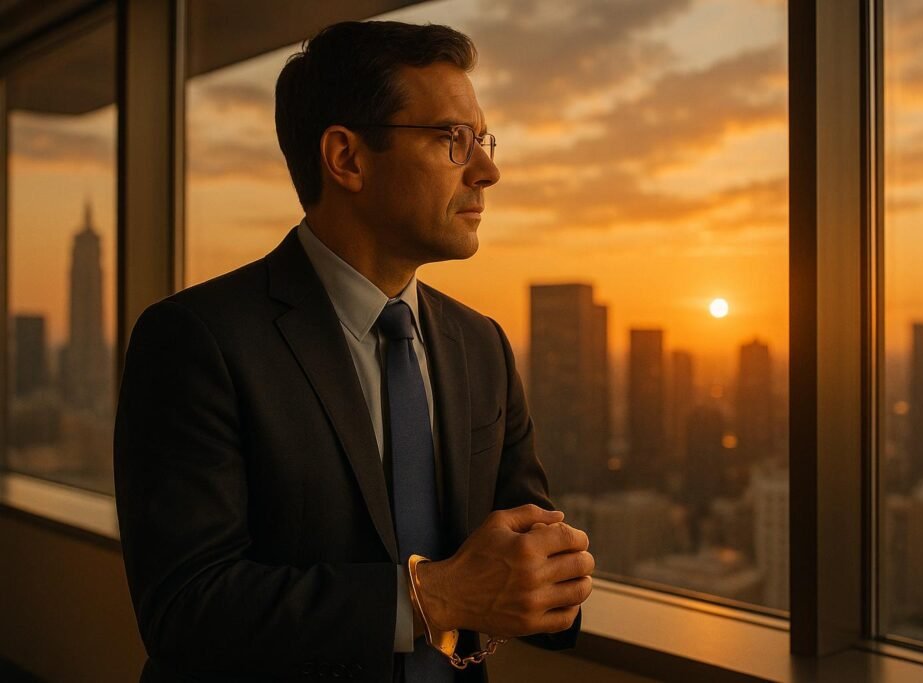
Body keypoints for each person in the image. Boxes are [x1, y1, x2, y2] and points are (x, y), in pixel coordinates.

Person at [113, 19, 594, 683]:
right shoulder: (197, 340)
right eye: (453, 139)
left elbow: (536, 564)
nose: (488, 170)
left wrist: (552, 577)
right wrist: (435, 597)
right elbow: (186, 607)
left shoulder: (481, 344)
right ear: (346, 158)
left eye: (481, 139)